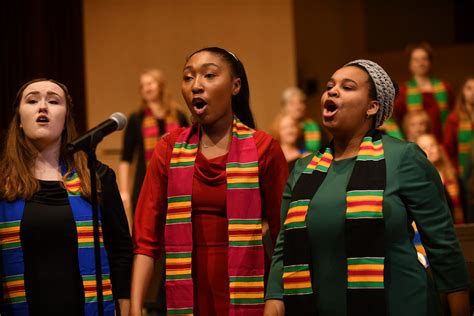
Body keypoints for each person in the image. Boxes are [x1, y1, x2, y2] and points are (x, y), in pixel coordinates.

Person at [264, 60, 469, 315]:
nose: (332, 91)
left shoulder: (403, 157)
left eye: (347, 87)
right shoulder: (303, 170)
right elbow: (285, 248)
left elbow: (442, 244)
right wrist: (273, 304)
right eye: (330, 86)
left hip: (403, 306)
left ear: (372, 107)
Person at [130, 47, 288, 316]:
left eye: (209, 75)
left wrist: (277, 300)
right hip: (185, 294)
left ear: (235, 86)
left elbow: (284, 236)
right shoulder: (168, 149)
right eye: (188, 77)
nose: (196, 86)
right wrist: (134, 307)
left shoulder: (264, 149)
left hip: (249, 294)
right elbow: (146, 240)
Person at [0, 79, 133, 315]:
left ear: (66, 119)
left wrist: (126, 306)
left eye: (53, 101)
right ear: (19, 120)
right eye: (32, 100)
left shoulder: (98, 177)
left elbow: (121, 250)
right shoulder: (2, 183)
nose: (43, 107)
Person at [119, 68, 189, 213]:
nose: (146, 88)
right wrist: (124, 191)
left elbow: (190, 150)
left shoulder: (179, 115)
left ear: (160, 85)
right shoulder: (136, 118)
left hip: (176, 182)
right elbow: (126, 158)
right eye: (143, 86)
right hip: (145, 183)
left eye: (150, 83)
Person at [394, 42, 455, 142]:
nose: (421, 63)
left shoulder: (444, 87)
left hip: (441, 143)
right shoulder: (403, 90)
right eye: (416, 60)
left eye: (424, 59)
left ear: (430, 62)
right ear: (410, 64)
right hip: (415, 144)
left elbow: (453, 115)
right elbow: (396, 120)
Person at [416, 134, 465, 224]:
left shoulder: (453, 177)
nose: (430, 150)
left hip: (459, 229)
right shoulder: (416, 182)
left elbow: (466, 207)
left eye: (432, 145)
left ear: (439, 148)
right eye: (424, 147)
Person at [444, 76, 474, 185]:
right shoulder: (454, 119)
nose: (472, 92)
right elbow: (448, 149)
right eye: (469, 88)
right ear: (463, 92)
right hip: (462, 173)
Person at [280, 87, 323, 152]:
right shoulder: (278, 129)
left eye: (301, 103)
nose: (298, 107)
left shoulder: (314, 127)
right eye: (292, 104)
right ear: (283, 108)